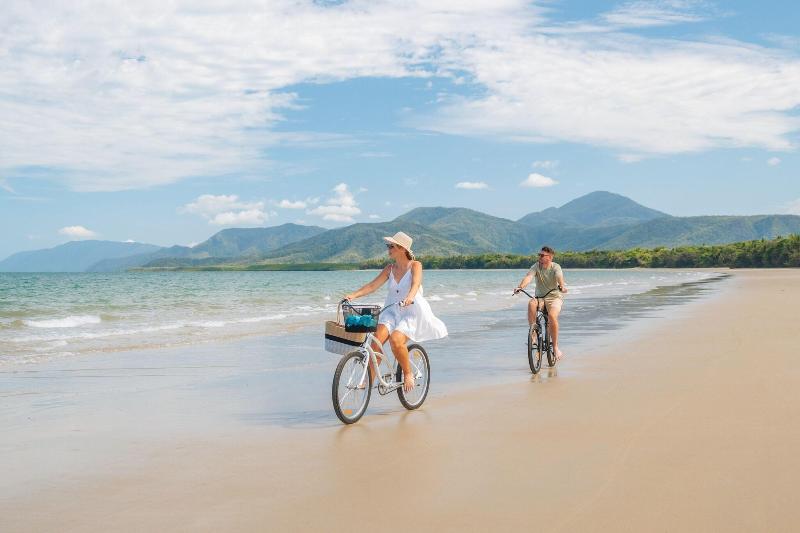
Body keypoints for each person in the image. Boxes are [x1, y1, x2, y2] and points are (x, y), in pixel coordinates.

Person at [343, 231, 447, 392]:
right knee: (375, 342)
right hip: (391, 311)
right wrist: (353, 295)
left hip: (411, 312)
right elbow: (372, 286)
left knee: (396, 341)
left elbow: (415, 284)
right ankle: (368, 381)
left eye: (391, 246)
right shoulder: (389, 268)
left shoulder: (415, 265)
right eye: (388, 246)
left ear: (402, 248)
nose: (388, 249)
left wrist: (410, 297)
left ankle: (408, 373)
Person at [514, 245, 568, 360]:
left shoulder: (555, 267)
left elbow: (559, 277)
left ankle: (555, 347)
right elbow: (528, 277)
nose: (540, 257)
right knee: (531, 303)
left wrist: (562, 286)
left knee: (552, 316)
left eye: (542, 255)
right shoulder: (536, 266)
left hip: (554, 297)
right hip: (540, 298)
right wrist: (520, 287)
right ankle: (533, 334)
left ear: (550, 257)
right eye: (539, 255)